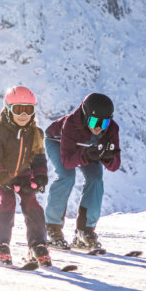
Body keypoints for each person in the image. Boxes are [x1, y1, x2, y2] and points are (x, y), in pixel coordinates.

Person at [44, 93, 121, 250]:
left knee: (96, 179)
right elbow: (67, 162)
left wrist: (107, 157)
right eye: (94, 121)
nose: (98, 127)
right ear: (86, 116)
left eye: (104, 123)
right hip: (57, 142)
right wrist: (86, 155)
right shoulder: (71, 124)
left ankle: (84, 232)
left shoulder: (112, 129)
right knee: (66, 177)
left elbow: (114, 166)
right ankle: (52, 229)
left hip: (86, 149)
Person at [0, 86, 50, 266]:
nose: (23, 115)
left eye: (28, 110)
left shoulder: (36, 134)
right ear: (8, 110)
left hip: (23, 175)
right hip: (1, 174)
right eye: (18, 109)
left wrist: (40, 177)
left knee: (31, 203)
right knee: (7, 201)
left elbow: (38, 159)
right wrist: (0, 175)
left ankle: (38, 245)